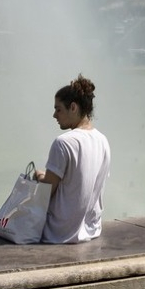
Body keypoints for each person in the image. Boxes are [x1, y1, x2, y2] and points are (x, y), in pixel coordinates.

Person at [33, 75, 111, 244]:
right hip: (91, 230)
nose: (54, 115)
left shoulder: (64, 143)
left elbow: (47, 191)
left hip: (59, 232)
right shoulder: (103, 141)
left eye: (58, 109)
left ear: (73, 107)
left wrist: (40, 176)